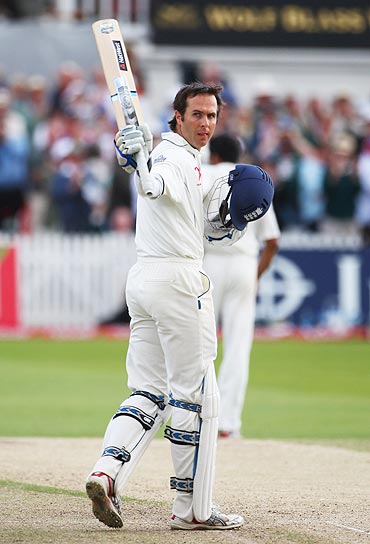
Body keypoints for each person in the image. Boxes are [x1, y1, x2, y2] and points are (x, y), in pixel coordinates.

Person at [85, 82, 246, 531]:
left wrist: (232, 219)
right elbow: (154, 185)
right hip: (178, 282)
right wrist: (135, 162)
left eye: (212, 115)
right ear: (177, 116)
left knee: (147, 392)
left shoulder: (189, 161)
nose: (206, 123)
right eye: (197, 114)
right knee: (196, 397)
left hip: (143, 281)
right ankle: (190, 510)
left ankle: (106, 473)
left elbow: (207, 225)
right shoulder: (171, 157)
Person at [202, 134, 281, 438]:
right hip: (244, 264)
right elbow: (272, 242)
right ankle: (228, 424)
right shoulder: (252, 178)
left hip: (208, 263)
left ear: (215, 154)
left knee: (199, 342)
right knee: (238, 346)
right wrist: (254, 276)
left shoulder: (205, 174)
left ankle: (195, 419)